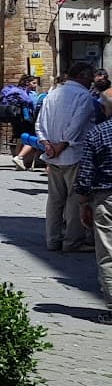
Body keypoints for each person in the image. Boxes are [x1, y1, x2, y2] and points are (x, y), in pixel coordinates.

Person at [36, 61, 102, 252]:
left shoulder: (52, 93)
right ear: (81, 75)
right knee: (74, 199)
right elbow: (77, 124)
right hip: (73, 153)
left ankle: (53, 239)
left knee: (55, 200)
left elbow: (40, 122)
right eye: (90, 76)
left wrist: (46, 143)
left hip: (52, 154)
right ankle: (72, 241)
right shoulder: (83, 96)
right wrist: (61, 145)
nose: (92, 80)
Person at [76, 112, 112, 317]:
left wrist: (83, 202)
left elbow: (86, 173)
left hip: (106, 197)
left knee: (108, 253)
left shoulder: (99, 132)